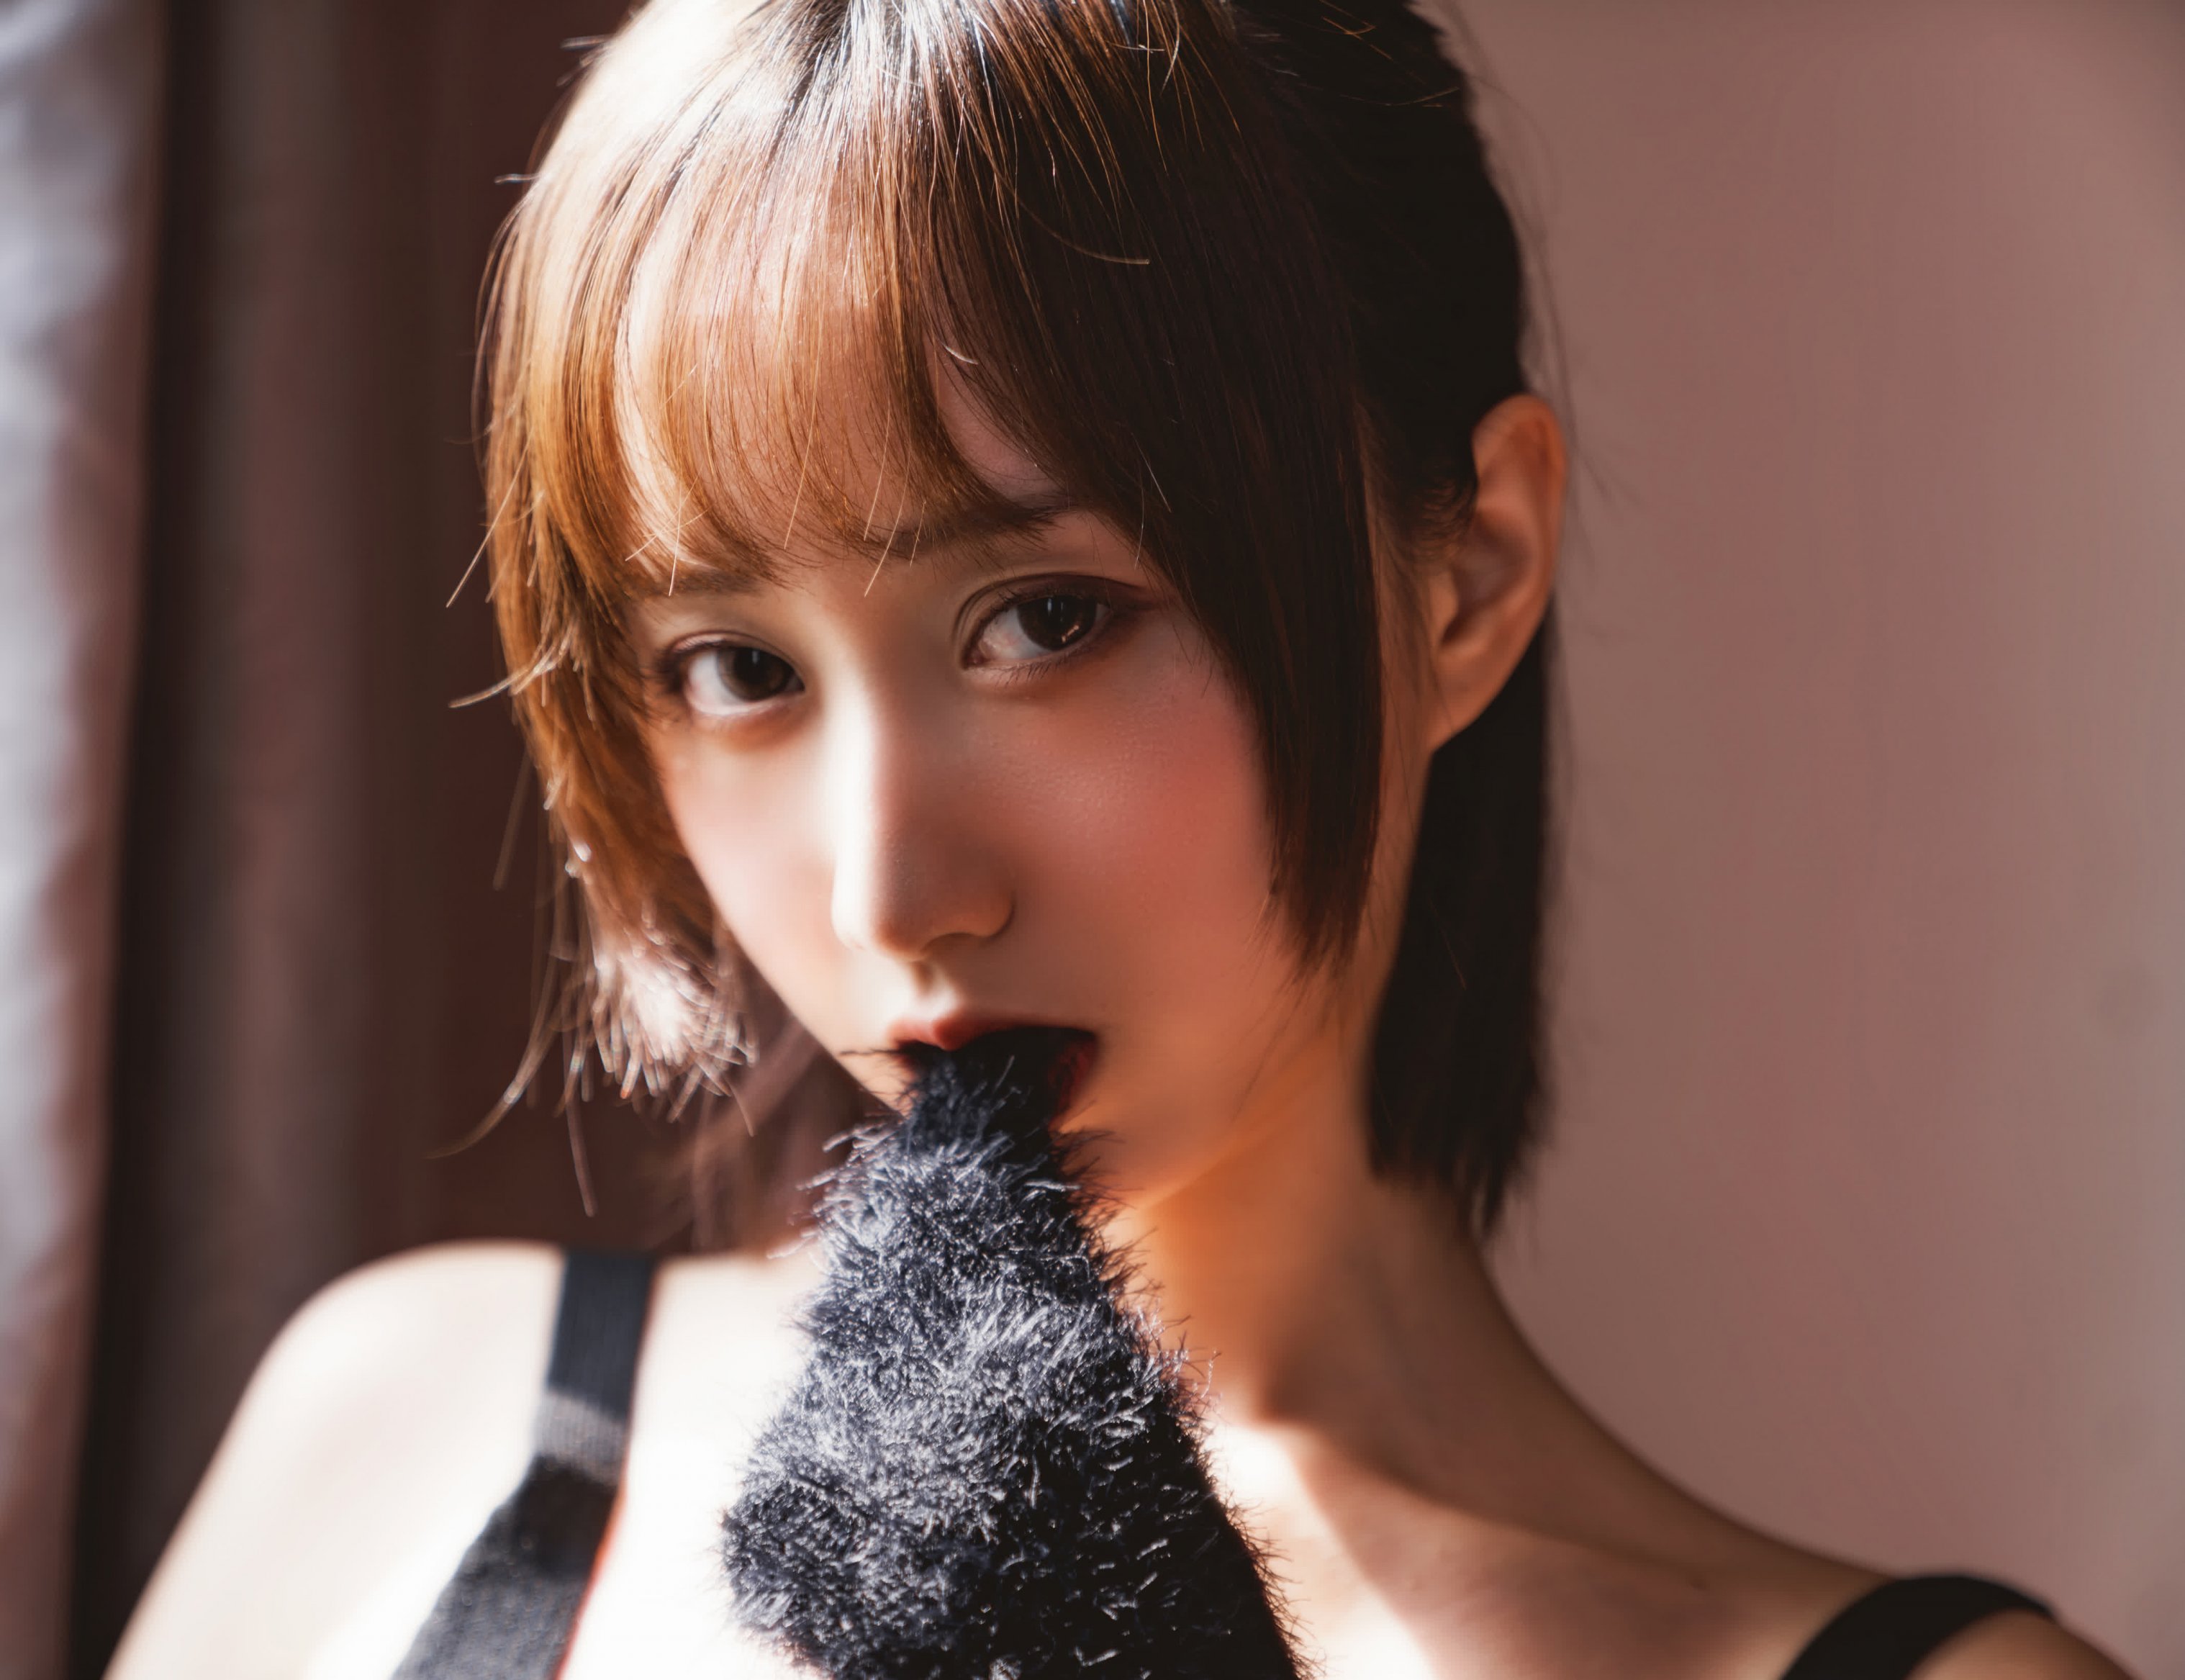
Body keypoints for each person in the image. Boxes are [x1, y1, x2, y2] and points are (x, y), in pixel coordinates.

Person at [109, 1, 2133, 1675]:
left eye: (1045, 622)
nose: (893, 892)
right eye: (734, 667)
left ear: (1467, 576)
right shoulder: (415, 1423)